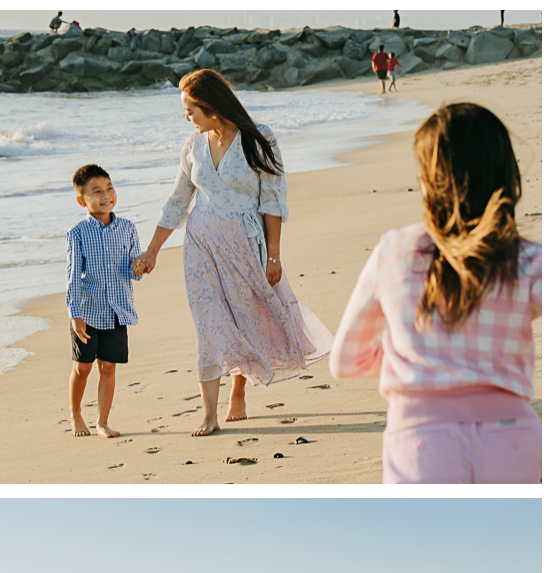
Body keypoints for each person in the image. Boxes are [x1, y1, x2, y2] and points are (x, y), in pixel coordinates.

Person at [329, 103, 542, 484]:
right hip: (513, 435)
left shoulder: (395, 251)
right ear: (506, 174)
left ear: (427, 181)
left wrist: (416, 354)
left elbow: (346, 360)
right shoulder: (527, 259)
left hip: (420, 441)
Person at [133, 69, 333, 436]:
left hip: (244, 244)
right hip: (200, 245)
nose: (187, 118)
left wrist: (274, 255)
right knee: (208, 323)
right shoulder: (193, 147)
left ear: (210, 106)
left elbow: (273, 200)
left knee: (245, 317)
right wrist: (153, 250)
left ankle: (238, 391)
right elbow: (178, 201)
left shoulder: (259, 138)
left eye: (190, 110)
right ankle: (208, 413)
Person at [66, 164, 142, 438]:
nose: (106, 195)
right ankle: (75, 413)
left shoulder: (128, 228)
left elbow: (133, 270)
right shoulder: (78, 233)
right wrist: (74, 313)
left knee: (108, 366)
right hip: (87, 312)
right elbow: (73, 276)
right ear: (82, 200)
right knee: (83, 366)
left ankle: (102, 421)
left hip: (117, 311)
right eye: (97, 192)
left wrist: (140, 267)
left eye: (109, 188)